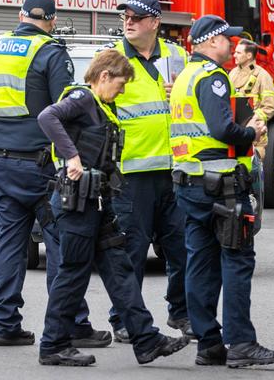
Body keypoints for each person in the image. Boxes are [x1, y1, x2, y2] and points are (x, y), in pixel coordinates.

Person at [0, 0, 110, 350]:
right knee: (61, 242)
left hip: (0, 161)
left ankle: (4, 324)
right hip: (41, 166)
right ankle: (72, 323)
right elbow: (67, 108)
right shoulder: (51, 52)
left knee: (10, 243)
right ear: (52, 20)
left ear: (21, 14)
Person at [37, 49, 189, 366]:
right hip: (77, 202)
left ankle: (146, 340)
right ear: (104, 76)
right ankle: (53, 345)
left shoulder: (102, 106)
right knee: (73, 274)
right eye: (119, 85)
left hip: (98, 201)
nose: (121, 91)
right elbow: (47, 117)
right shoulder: (81, 98)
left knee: (119, 272)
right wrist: (72, 157)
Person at [170, 15, 274, 368]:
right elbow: (223, 129)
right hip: (219, 185)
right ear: (210, 42)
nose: (231, 46)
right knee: (237, 260)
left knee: (200, 262)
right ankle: (241, 343)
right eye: (227, 39)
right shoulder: (213, 77)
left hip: (190, 183)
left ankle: (208, 343)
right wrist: (251, 132)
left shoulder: (184, 78)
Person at [102, 0, 191, 342]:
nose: (129, 21)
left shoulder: (176, 55)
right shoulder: (112, 58)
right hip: (131, 173)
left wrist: (179, 94)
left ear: (155, 22)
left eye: (137, 17)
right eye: (126, 16)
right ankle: (124, 319)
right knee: (130, 251)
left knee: (182, 247)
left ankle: (181, 313)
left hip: (174, 170)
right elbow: (97, 105)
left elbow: (194, 100)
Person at [229, 39, 274, 159]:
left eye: (238, 53)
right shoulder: (232, 74)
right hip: (234, 136)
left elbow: (270, 106)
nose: (234, 55)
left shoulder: (262, 76)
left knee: (252, 174)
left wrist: (254, 121)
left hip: (255, 140)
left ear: (249, 55)